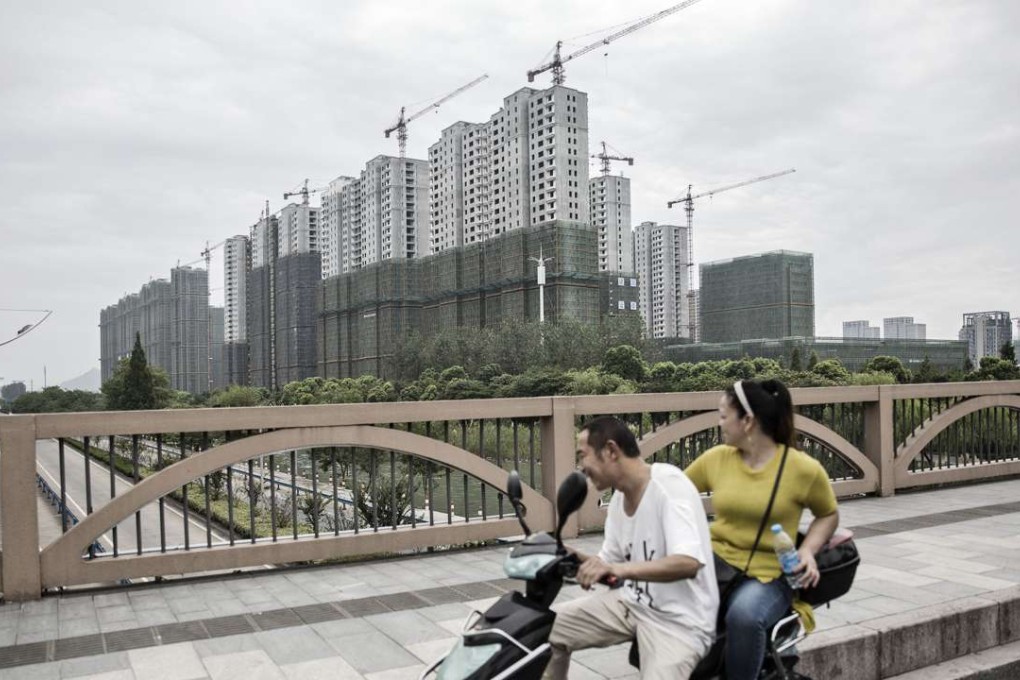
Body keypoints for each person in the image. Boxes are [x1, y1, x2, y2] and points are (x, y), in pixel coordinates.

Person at [685, 379, 839, 680]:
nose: (720, 424)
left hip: (771, 575)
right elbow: (673, 492)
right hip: (717, 566)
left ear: (748, 421)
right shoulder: (716, 459)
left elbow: (828, 515)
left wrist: (808, 550)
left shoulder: (802, 469)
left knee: (745, 616)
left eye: (722, 415)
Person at [544, 416, 718, 680]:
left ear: (611, 451)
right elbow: (609, 568)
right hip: (632, 604)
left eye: (583, 456)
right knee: (544, 630)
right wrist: (573, 556)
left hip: (679, 623)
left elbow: (688, 562)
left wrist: (617, 568)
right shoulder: (617, 502)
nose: (581, 467)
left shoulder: (668, 485)